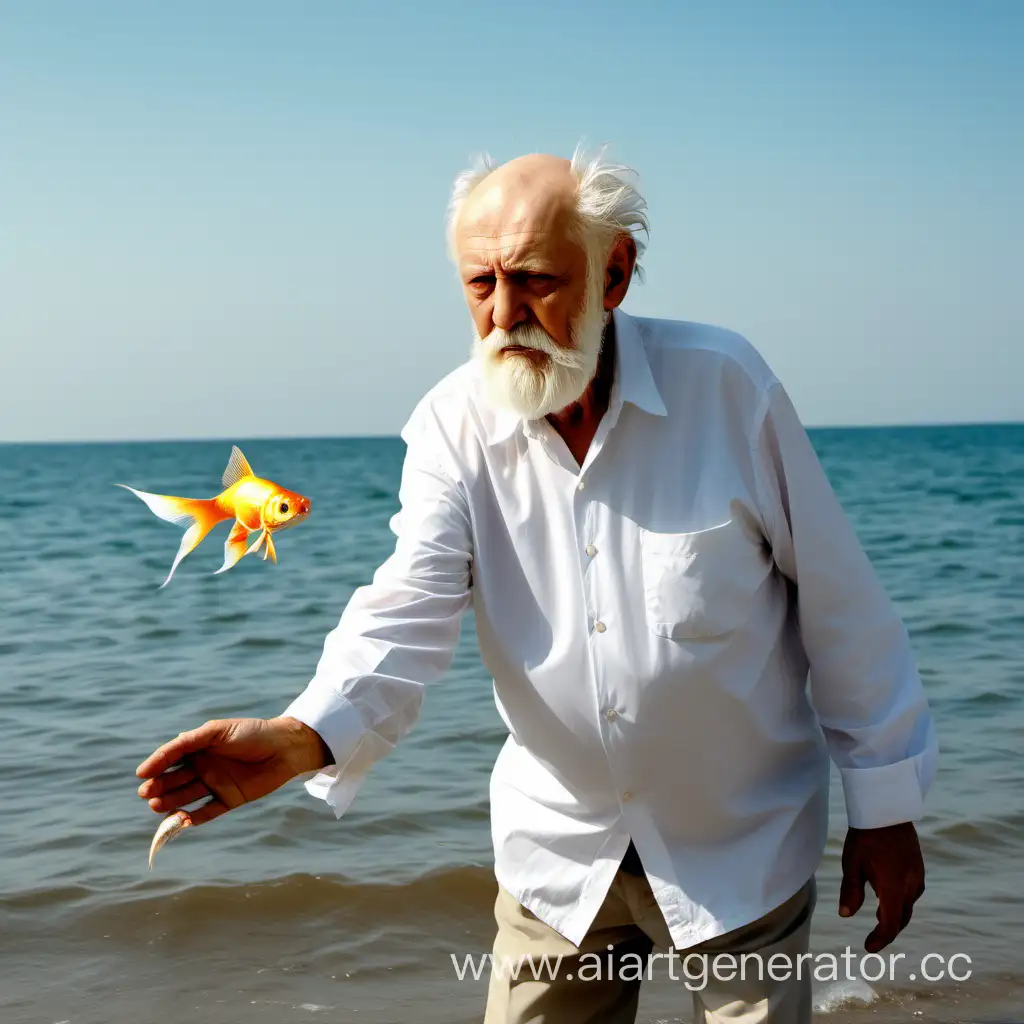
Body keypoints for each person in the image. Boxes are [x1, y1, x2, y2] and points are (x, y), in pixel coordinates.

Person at [137, 147, 938, 1023]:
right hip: (558, 859)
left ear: (615, 272)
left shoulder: (729, 387)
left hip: (740, 849)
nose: (505, 315)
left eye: (535, 281)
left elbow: (842, 608)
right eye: (480, 284)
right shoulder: (451, 425)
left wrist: (885, 808)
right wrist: (300, 738)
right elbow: (407, 608)